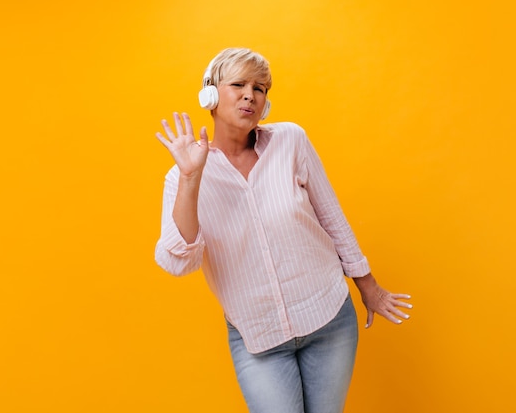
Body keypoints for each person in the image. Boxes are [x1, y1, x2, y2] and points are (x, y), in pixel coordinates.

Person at [154, 47, 412, 413]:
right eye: (238, 84)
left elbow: (332, 217)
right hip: (258, 337)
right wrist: (191, 178)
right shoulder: (182, 176)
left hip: (329, 319)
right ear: (209, 95)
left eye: (260, 88)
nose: (250, 95)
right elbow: (179, 263)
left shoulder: (291, 141)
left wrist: (368, 287)